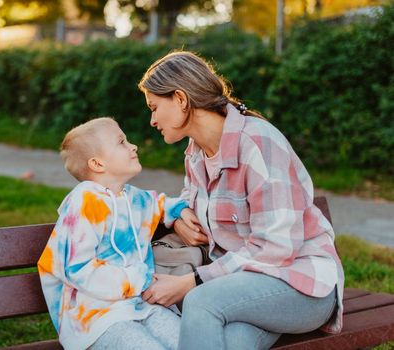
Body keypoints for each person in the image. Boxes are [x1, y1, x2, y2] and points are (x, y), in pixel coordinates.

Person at [138, 51, 344, 350]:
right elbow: (190, 196)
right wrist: (180, 213)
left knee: (200, 301)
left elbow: (277, 248)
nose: (152, 120)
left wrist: (193, 281)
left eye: (154, 107)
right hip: (242, 290)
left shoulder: (258, 143)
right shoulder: (196, 152)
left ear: (181, 99)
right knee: (230, 343)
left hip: (300, 285)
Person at [37, 117, 197, 350]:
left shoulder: (130, 196)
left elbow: (160, 203)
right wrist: (137, 279)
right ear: (98, 164)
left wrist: (179, 210)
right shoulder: (85, 201)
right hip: (97, 318)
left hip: (143, 305)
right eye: (121, 142)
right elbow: (77, 268)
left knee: (192, 342)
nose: (133, 146)